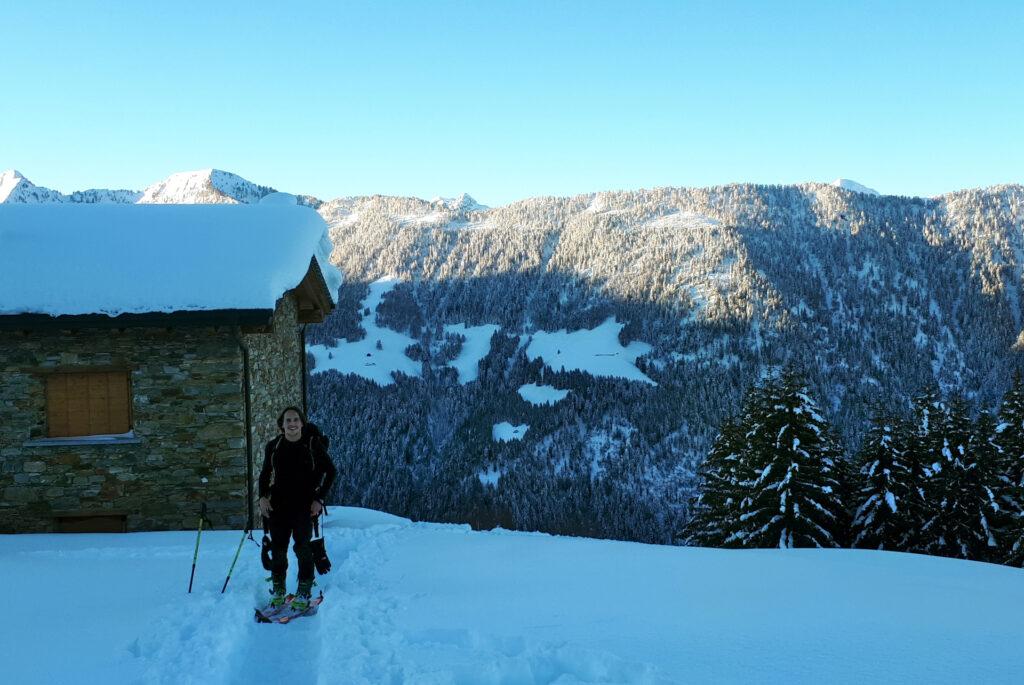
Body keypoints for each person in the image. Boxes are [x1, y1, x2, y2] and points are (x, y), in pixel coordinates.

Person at [258, 406, 337, 611]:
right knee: (278, 549)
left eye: (295, 420)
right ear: (282, 425)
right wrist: (262, 497)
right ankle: (278, 591)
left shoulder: (312, 445)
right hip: (278, 504)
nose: (291, 424)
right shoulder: (274, 446)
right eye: (287, 421)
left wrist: (319, 499)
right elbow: (265, 473)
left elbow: (331, 472)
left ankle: (304, 591)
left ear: (302, 423)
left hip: (304, 505)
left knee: (303, 548)